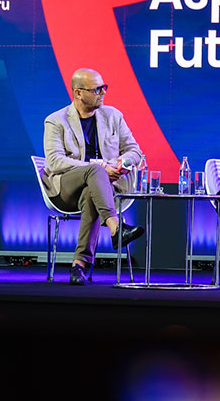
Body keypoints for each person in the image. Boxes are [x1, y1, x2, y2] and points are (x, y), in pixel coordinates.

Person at [42, 68, 145, 285]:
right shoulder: (56, 121)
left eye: (103, 87)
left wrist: (121, 163)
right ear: (79, 93)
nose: (103, 93)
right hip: (66, 188)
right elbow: (55, 161)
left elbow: (134, 151)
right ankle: (116, 227)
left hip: (103, 189)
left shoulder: (113, 116)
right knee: (96, 170)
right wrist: (98, 167)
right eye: (97, 89)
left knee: (92, 191)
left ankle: (79, 265)